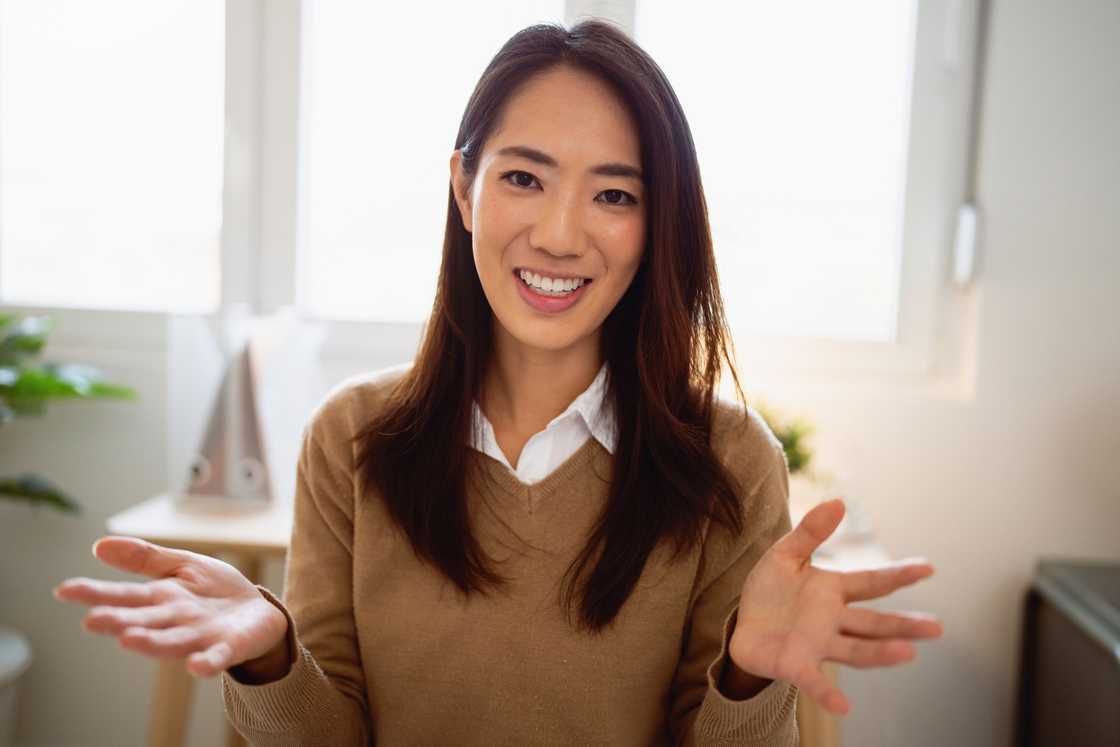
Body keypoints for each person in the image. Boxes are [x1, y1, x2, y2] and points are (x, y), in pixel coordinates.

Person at [53, 19, 942, 746]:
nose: (560, 234)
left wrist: (747, 677)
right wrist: (273, 655)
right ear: (465, 188)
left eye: (615, 195)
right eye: (524, 177)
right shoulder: (351, 439)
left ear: (656, 222)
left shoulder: (729, 460)